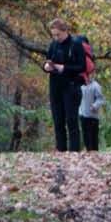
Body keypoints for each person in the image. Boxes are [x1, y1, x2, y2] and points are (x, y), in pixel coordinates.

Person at [42, 18, 85, 152]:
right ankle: (60, 150)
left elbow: (81, 66)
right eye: (53, 35)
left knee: (71, 120)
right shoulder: (53, 45)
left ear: (65, 31)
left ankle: (74, 152)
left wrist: (64, 68)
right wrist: (46, 67)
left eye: (58, 34)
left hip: (71, 86)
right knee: (57, 120)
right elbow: (47, 61)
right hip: (55, 87)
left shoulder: (76, 44)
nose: (56, 37)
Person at [78, 72, 107, 152]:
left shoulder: (95, 86)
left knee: (93, 137)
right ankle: (88, 152)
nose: (85, 78)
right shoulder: (80, 86)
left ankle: (95, 152)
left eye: (86, 76)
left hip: (93, 116)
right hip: (82, 114)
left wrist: (95, 105)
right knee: (85, 136)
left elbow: (101, 99)